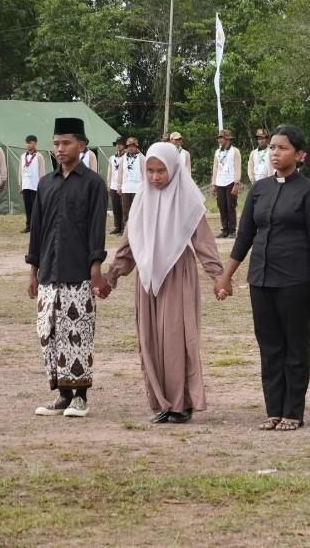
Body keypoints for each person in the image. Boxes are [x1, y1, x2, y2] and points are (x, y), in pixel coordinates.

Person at [216, 126, 310, 431]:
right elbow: (245, 237)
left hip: (295, 281)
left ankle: (293, 411)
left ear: (299, 154)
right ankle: (273, 409)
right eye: (273, 148)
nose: (275, 153)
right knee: (269, 345)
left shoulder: (308, 192)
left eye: (283, 148)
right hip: (261, 280)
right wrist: (226, 276)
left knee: (295, 345)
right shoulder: (260, 190)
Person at [105, 142, 226, 424]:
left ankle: (182, 403)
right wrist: (112, 276)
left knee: (176, 338)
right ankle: (161, 401)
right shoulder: (141, 199)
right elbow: (129, 243)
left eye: (162, 171)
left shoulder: (188, 200)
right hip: (147, 278)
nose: (155, 177)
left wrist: (218, 277)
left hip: (177, 274)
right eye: (150, 171)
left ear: (174, 169)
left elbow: (204, 243)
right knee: (149, 339)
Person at [27, 117, 110, 418]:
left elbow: (97, 229)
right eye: (56, 143)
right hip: (48, 270)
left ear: (82, 145)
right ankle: (62, 395)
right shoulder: (45, 184)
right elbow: (37, 231)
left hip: (79, 271)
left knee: (78, 332)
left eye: (66, 143)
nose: (60, 149)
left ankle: (81, 397)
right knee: (49, 333)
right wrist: (33, 271)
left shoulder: (93, 184)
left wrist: (96, 268)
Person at [210, 129, 242, 238]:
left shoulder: (235, 151)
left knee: (230, 206)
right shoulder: (217, 152)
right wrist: (213, 184)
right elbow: (215, 168)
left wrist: (236, 183)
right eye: (219, 138)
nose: (219, 140)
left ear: (227, 139)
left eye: (221, 138)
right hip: (220, 182)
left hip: (230, 182)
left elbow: (238, 167)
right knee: (222, 206)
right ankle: (224, 230)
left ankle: (232, 230)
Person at [19, 135, 46, 233]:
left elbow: (42, 172)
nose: (28, 145)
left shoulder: (39, 156)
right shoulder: (23, 156)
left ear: (35, 143)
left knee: (36, 208)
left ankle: (37, 226)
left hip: (35, 186)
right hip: (26, 185)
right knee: (27, 207)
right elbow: (20, 171)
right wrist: (20, 185)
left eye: (30, 143)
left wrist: (42, 185)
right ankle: (28, 226)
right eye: (27, 143)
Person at [119, 137, 145, 226]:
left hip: (138, 188)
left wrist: (145, 188)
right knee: (125, 210)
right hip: (126, 188)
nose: (131, 148)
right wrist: (119, 186)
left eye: (133, 146)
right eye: (129, 146)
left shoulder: (142, 158)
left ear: (136, 146)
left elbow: (145, 173)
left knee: (137, 210)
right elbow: (120, 173)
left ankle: (137, 228)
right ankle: (127, 229)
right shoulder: (123, 158)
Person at [107, 136, 126, 235]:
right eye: (117, 144)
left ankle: (123, 228)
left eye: (121, 144)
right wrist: (109, 185)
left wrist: (123, 186)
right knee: (115, 208)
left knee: (123, 207)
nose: (119, 146)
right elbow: (110, 172)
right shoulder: (112, 158)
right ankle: (117, 226)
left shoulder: (126, 158)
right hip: (113, 186)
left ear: (124, 146)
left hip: (123, 186)